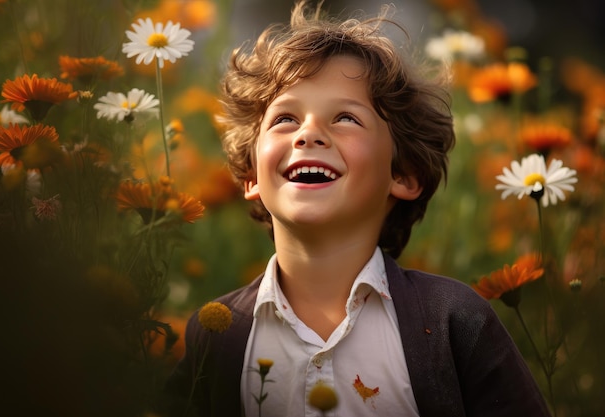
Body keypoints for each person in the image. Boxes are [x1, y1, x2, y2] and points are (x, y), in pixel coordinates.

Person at [163, 1, 551, 416]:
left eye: (346, 118)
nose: (309, 133)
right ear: (251, 176)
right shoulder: (216, 333)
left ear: (403, 174)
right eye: (285, 119)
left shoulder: (454, 320)